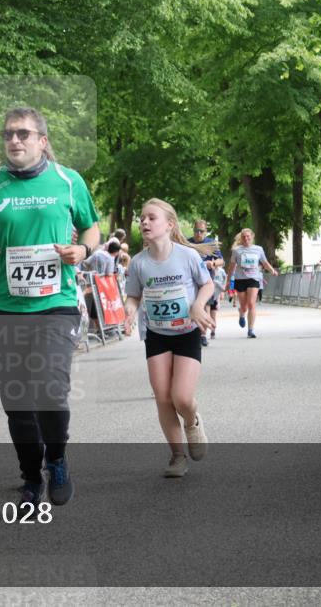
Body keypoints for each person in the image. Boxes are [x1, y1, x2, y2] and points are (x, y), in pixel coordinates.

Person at [0, 107, 100, 508]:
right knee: (18, 399)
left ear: (42, 140)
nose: (14, 140)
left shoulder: (67, 181)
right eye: (8, 135)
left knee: (51, 391)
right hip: (5, 306)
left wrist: (83, 249)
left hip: (55, 303)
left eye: (23, 134)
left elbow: (91, 226)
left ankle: (56, 459)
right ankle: (30, 477)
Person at [124, 200, 215, 477]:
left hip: (186, 333)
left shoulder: (187, 256)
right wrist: (129, 311)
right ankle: (177, 456)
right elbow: (133, 295)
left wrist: (198, 305)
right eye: (142, 218)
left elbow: (207, 284)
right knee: (163, 398)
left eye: (152, 218)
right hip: (157, 335)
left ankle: (192, 420)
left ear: (170, 225)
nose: (144, 222)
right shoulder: (139, 263)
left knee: (182, 397)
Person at [227, 228, 278, 338]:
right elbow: (231, 266)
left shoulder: (258, 249)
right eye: (244, 237)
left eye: (248, 236)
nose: (246, 238)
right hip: (240, 279)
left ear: (252, 237)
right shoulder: (236, 250)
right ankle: (241, 313)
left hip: (253, 278)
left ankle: (250, 330)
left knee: (251, 304)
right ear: (241, 238)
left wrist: (272, 270)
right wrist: (228, 281)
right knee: (244, 306)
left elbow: (264, 262)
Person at [187, 220, 224, 346]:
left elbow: (221, 261)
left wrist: (212, 263)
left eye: (201, 231)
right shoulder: (187, 243)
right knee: (191, 306)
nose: (198, 233)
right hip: (190, 281)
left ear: (205, 232)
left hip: (206, 281)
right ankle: (192, 332)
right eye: (196, 230)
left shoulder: (211, 243)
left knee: (205, 306)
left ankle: (202, 335)